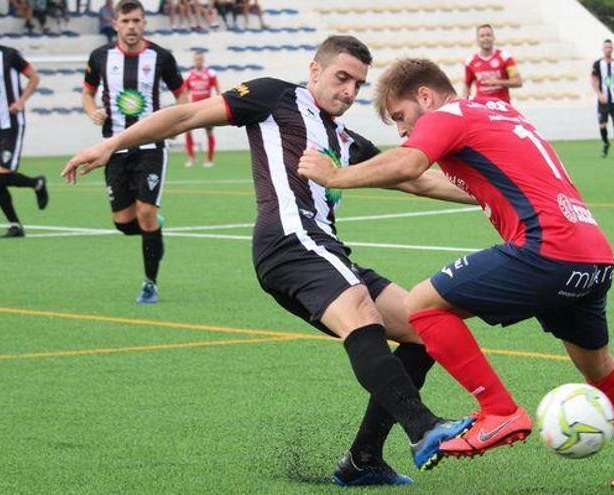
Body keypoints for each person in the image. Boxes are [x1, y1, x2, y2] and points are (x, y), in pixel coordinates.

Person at [63, 36, 477, 485]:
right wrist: (113, 144)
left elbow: (418, 181)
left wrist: (503, 195)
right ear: (315, 71)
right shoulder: (274, 96)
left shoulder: (344, 139)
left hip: (323, 249)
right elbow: (186, 115)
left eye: (357, 84)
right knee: (360, 309)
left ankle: (363, 460)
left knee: (423, 327)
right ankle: (423, 427)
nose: (348, 92)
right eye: (341, 78)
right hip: (288, 240)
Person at [297, 58, 614, 492]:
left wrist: (336, 175)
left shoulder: (447, 115)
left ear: (425, 96)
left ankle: (498, 411)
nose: (402, 130)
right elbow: (448, 180)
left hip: (546, 249)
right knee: (600, 367)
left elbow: (409, 164)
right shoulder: (501, 112)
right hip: (591, 255)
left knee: (420, 305)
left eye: (400, 117)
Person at [81, 0, 187, 303]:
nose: (131, 27)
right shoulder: (100, 57)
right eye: (126, 21)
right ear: (115, 23)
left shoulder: (161, 57)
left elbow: (183, 96)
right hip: (113, 148)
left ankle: (150, 284)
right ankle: (154, 229)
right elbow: (88, 93)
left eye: (137, 21)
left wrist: (173, 123)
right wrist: (93, 112)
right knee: (124, 223)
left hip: (151, 147)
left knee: (145, 212)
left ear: (144, 23)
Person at [0, 15, 48, 238]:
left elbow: (34, 78)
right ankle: (15, 225)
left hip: (11, 124)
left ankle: (37, 183)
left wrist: (21, 101)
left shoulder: (9, 55)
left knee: (3, 173)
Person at [462, 24, 521, 103]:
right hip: (482, 107)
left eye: (488, 35)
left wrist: (498, 82)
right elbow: (467, 85)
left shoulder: (505, 57)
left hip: (502, 106)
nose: (485, 38)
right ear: (478, 39)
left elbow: (517, 81)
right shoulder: (470, 61)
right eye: (482, 36)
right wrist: (466, 103)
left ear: (493, 37)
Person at [182, 51, 219, 167]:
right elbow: (185, 93)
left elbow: (217, 90)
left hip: (207, 108)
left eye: (200, 59)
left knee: (209, 133)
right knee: (187, 131)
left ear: (203, 60)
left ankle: (209, 160)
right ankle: (191, 158)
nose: (198, 61)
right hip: (194, 108)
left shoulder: (211, 74)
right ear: (194, 61)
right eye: (196, 59)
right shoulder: (189, 75)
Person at [592, 39, 614, 159]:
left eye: (610, 47)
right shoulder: (598, 64)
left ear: (613, 49)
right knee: (602, 124)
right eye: (606, 47)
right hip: (603, 100)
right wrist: (599, 94)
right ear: (603, 49)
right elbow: (593, 80)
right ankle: (606, 142)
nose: (608, 49)